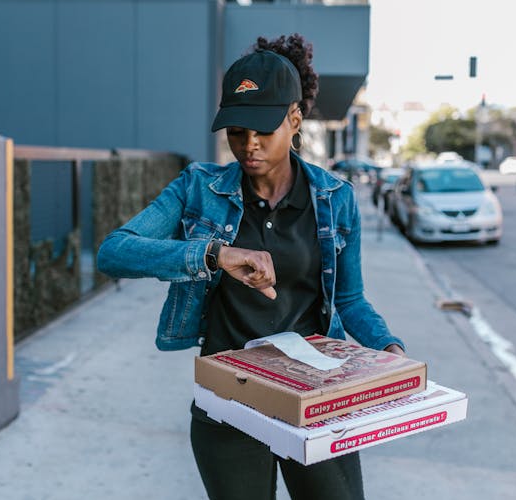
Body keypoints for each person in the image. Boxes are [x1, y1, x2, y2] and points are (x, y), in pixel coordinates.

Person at [97, 33, 406, 500]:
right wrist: (211, 253)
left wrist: (387, 348)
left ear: (295, 119)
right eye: (237, 131)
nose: (249, 144)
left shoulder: (335, 199)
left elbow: (349, 298)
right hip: (230, 399)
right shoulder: (199, 187)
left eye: (263, 129)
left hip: (315, 399)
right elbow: (114, 251)